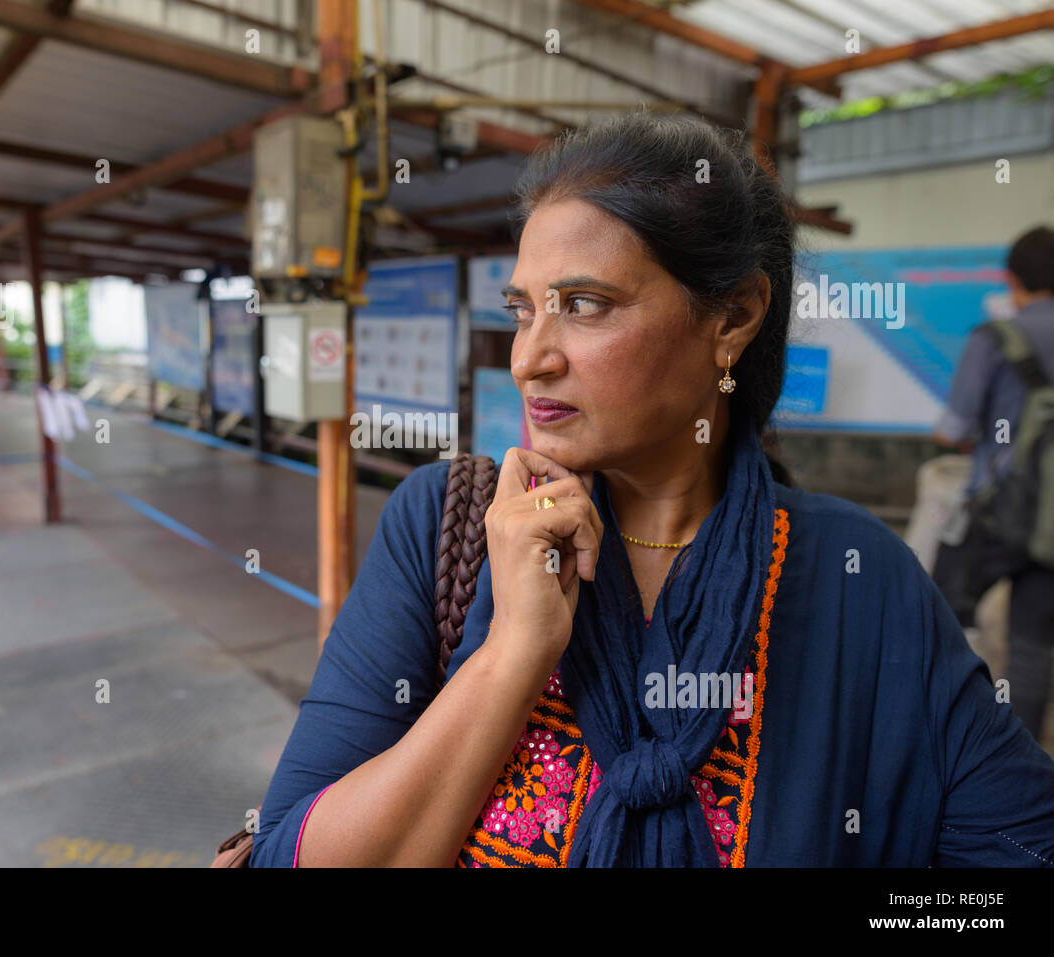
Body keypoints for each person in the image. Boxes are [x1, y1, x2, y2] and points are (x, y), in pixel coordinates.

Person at [250, 112, 1054, 868]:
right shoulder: (446, 527)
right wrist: (510, 657)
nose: (530, 357)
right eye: (523, 311)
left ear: (733, 316)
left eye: (585, 305)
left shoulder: (855, 574)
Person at [932, 226, 1054, 743]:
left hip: (995, 512)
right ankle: (1024, 773)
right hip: (1049, 526)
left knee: (936, 622)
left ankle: (943, 742)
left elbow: (953, 430)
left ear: (1012, 280)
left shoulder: (994, 340)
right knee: (1031, 653)